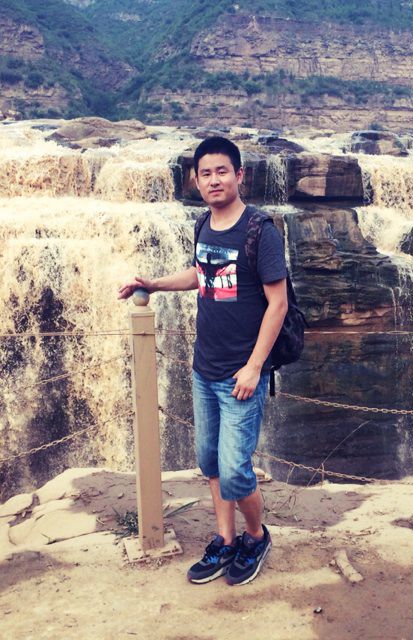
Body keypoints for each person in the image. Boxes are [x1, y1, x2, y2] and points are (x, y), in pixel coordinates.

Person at [118, 136, 288, 586]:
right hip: (204, 370)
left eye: (222, 171)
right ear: (196, 180)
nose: (214, 180)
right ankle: (226, 539)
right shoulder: (203, 225)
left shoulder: (260, 231)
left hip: (241, 375)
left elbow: (278, 304)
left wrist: (255, 366)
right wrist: (154, 284)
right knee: (210, 462)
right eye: (206, 173)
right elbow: (202, 273)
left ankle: (256, 536)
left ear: (239, 175)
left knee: (235, 472)